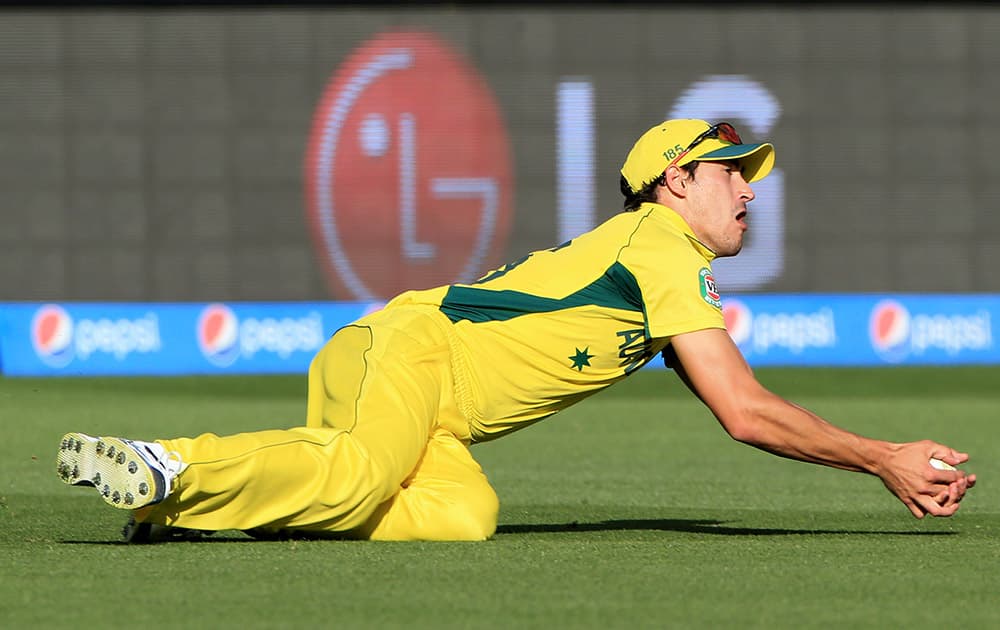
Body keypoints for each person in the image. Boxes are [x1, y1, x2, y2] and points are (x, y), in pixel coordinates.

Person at [56, 118, 976, 542]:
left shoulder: (656, 263)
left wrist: (875, 456)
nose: (747, 187)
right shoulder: (661, 243)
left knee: (463, 516)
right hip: (411, 347)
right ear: (673, 181)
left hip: (432, 404)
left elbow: (731, 406)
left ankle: (191, 506)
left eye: (748, 172)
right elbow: (745, 410)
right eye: (727, 169)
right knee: (361, 476)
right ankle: (175, 464)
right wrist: (885, 456)